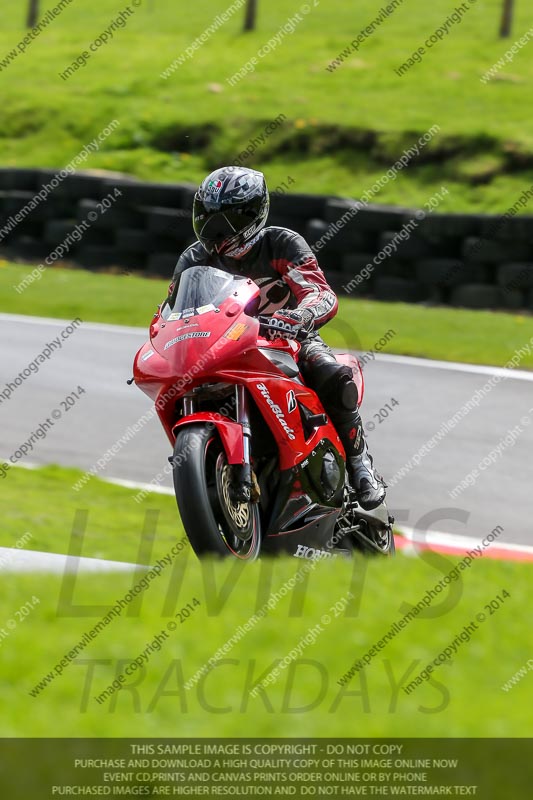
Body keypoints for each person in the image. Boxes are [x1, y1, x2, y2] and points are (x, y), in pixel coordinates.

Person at [167, 166, 385, 509]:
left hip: (287, 339)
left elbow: (319, 291)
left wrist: (301, 315)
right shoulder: (194, 258)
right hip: (223, 345)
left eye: (226, 221)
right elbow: (173, 308)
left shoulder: (281, 242)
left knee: (332, 372)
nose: (216, 232)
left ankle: (360, 464)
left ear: (254, 214)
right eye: (207, 220)